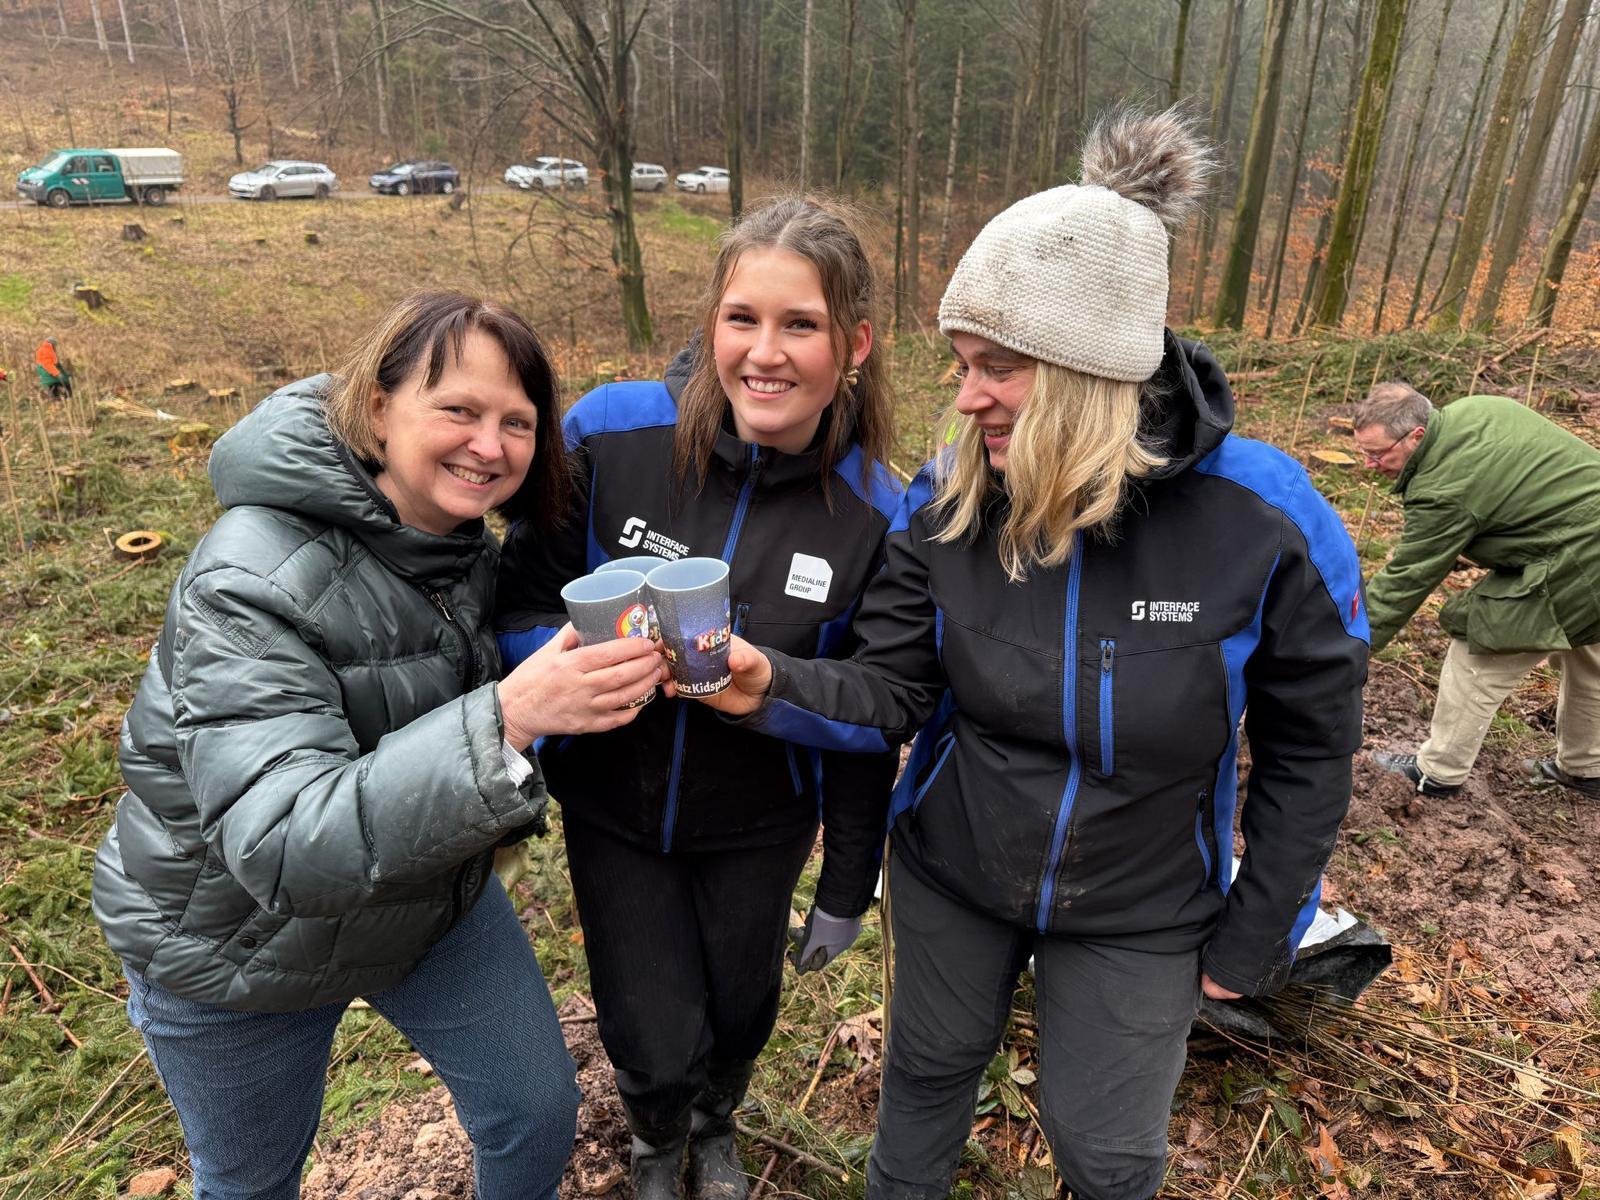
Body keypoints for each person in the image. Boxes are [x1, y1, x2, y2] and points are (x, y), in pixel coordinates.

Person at [693, 108, 1369, 1200]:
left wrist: (1257, 934)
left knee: (1103, 1150)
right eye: (963, 363)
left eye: (996, 366)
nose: (965, 396)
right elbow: (894, 686)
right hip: (955, 869)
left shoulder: (1266, 516)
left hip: (1145, 904)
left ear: (1085, 367)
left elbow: (1311, 749)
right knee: (925, 1077)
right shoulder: (949, 496)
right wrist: (771, 682)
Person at [92, 291, 666, 1199]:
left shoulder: (462, 549)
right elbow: (284, 844)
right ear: (374, 409)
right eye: (459, 411)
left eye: (518, 423)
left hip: (422, 901)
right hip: (233, 948)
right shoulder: (249, 575)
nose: (491, 445)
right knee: (249, 1184)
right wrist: (509, 717)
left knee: (535, 1113)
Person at [494, 196, 901, 1200]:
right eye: (741, 318)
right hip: (611, 809)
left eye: (799, 325)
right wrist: (556, 681)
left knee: (738, 1004)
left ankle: (717, 1120)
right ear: (711, 322)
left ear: (850, 342)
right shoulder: (613, 432)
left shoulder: (879, 509)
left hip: (759, 823)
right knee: (643, 1016)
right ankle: (652, 1134)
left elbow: (874, 708)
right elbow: (513, 604)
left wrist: (847, 880)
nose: (765, 354)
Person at [1357, 382, 1600, 799]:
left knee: (1478, 652)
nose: (1369, 464)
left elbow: (1406, 580)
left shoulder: (1443, 488)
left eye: (1378, 454)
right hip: (1582, 536)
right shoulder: (1475, 410)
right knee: (1589, 654)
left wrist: (1349, 647)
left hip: (1579, 559)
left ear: (1416, 435)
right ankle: (1587, 765)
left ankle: (1437, 772)